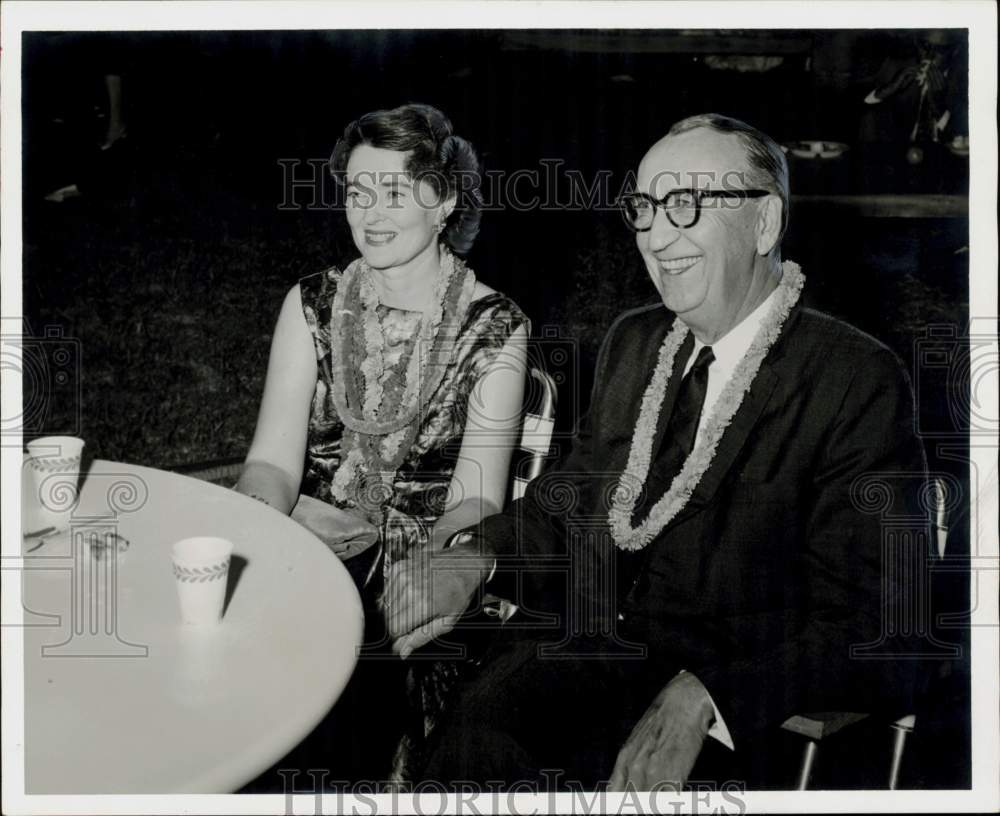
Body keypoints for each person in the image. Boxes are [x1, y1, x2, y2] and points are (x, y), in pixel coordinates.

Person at [386, 113, 930, 789]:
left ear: (764, 224)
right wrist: (479, 554)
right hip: (574, 653)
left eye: (685, 205)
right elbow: (569, 505)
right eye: (644, 207)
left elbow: (884, 623)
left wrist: (711, 695)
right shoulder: (637, 340)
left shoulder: (854, 380)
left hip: (726, 709)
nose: (656, 235)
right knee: (457, 741)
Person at [236, 103, 529, 781]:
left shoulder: (493, 326)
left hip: (418, 554)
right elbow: (272, 464)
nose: (371, 214)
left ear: (446, 199)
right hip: (308, 536)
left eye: (395, 192)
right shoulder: (310, 304)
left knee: (348, 679)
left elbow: (476, 499)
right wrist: (250, 529)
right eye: (357, 193)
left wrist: (422, 570)